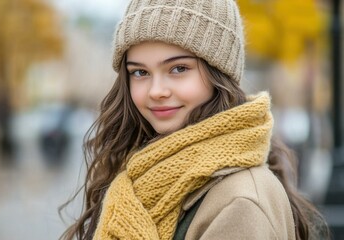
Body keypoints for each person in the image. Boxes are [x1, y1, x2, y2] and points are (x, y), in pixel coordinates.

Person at [60, 0, 330, 239]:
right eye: (140, 72)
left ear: (218, 73)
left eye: (178, 68)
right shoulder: (138, 170)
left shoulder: (239, 204)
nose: (156, 91)